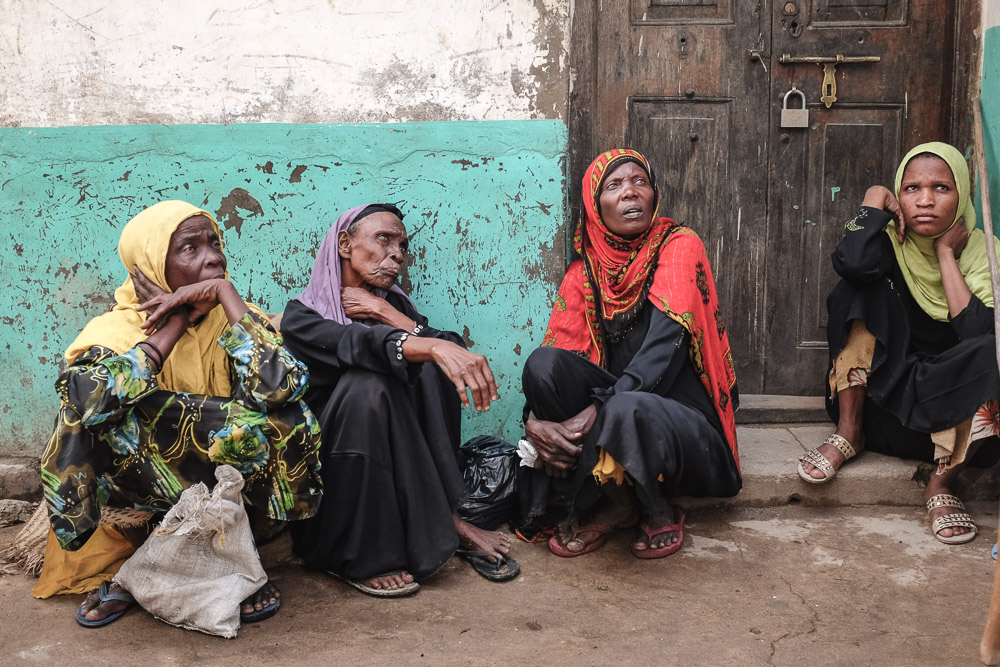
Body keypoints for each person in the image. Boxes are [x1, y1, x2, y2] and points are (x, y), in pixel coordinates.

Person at [40, 200, 323, 626]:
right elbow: (88, 403)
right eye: (189, 248)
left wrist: (228, 295)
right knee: (88, 413)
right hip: (145, 493)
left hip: (227, 487)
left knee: (289, 418)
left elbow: (282, 386)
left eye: (213, 243)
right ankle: (146, 561)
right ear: (150, 266)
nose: (212, 256)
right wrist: (173, 324)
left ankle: (231, 558)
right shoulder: (114, 330)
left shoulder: (235, 320)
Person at [282, 203, 518, 597]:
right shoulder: (302, 315)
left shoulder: (395, 304)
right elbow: (354, 344)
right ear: (344, 244)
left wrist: (386, 312)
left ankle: (448, 517)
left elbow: (443, 346)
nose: (397, 253)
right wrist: (416, 344)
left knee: (431, 363)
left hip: (399, 447)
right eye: (384, 239)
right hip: (337, 464)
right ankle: (363, 555)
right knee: (367, 386)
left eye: (402, 245)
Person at [519, 149, 741, 558]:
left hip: (684, 429)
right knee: (542, 366)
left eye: (640, 181)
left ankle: (657, 505)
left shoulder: (678, 246)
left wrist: (601, 406)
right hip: (618, 409)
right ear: (594, 204)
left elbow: (663, 349)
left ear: (655, 195)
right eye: (614, 185)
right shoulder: (584, 272)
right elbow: (556, 361)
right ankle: (619, 503)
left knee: (626, 408)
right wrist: (533, 421)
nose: (630, 193)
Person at [798, 142, 1000, 544]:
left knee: (995, 350)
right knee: (856, 290)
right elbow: (851, 262)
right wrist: (873, 201)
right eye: (911, 188)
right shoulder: (889, 242)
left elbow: (979, 337)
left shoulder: (984, 252)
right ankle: (848, 432)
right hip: (879, 411)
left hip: (949, 420)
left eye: (941, 188)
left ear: (961, 194)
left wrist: (945, 254)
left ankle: (942, 485)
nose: (925, 200)